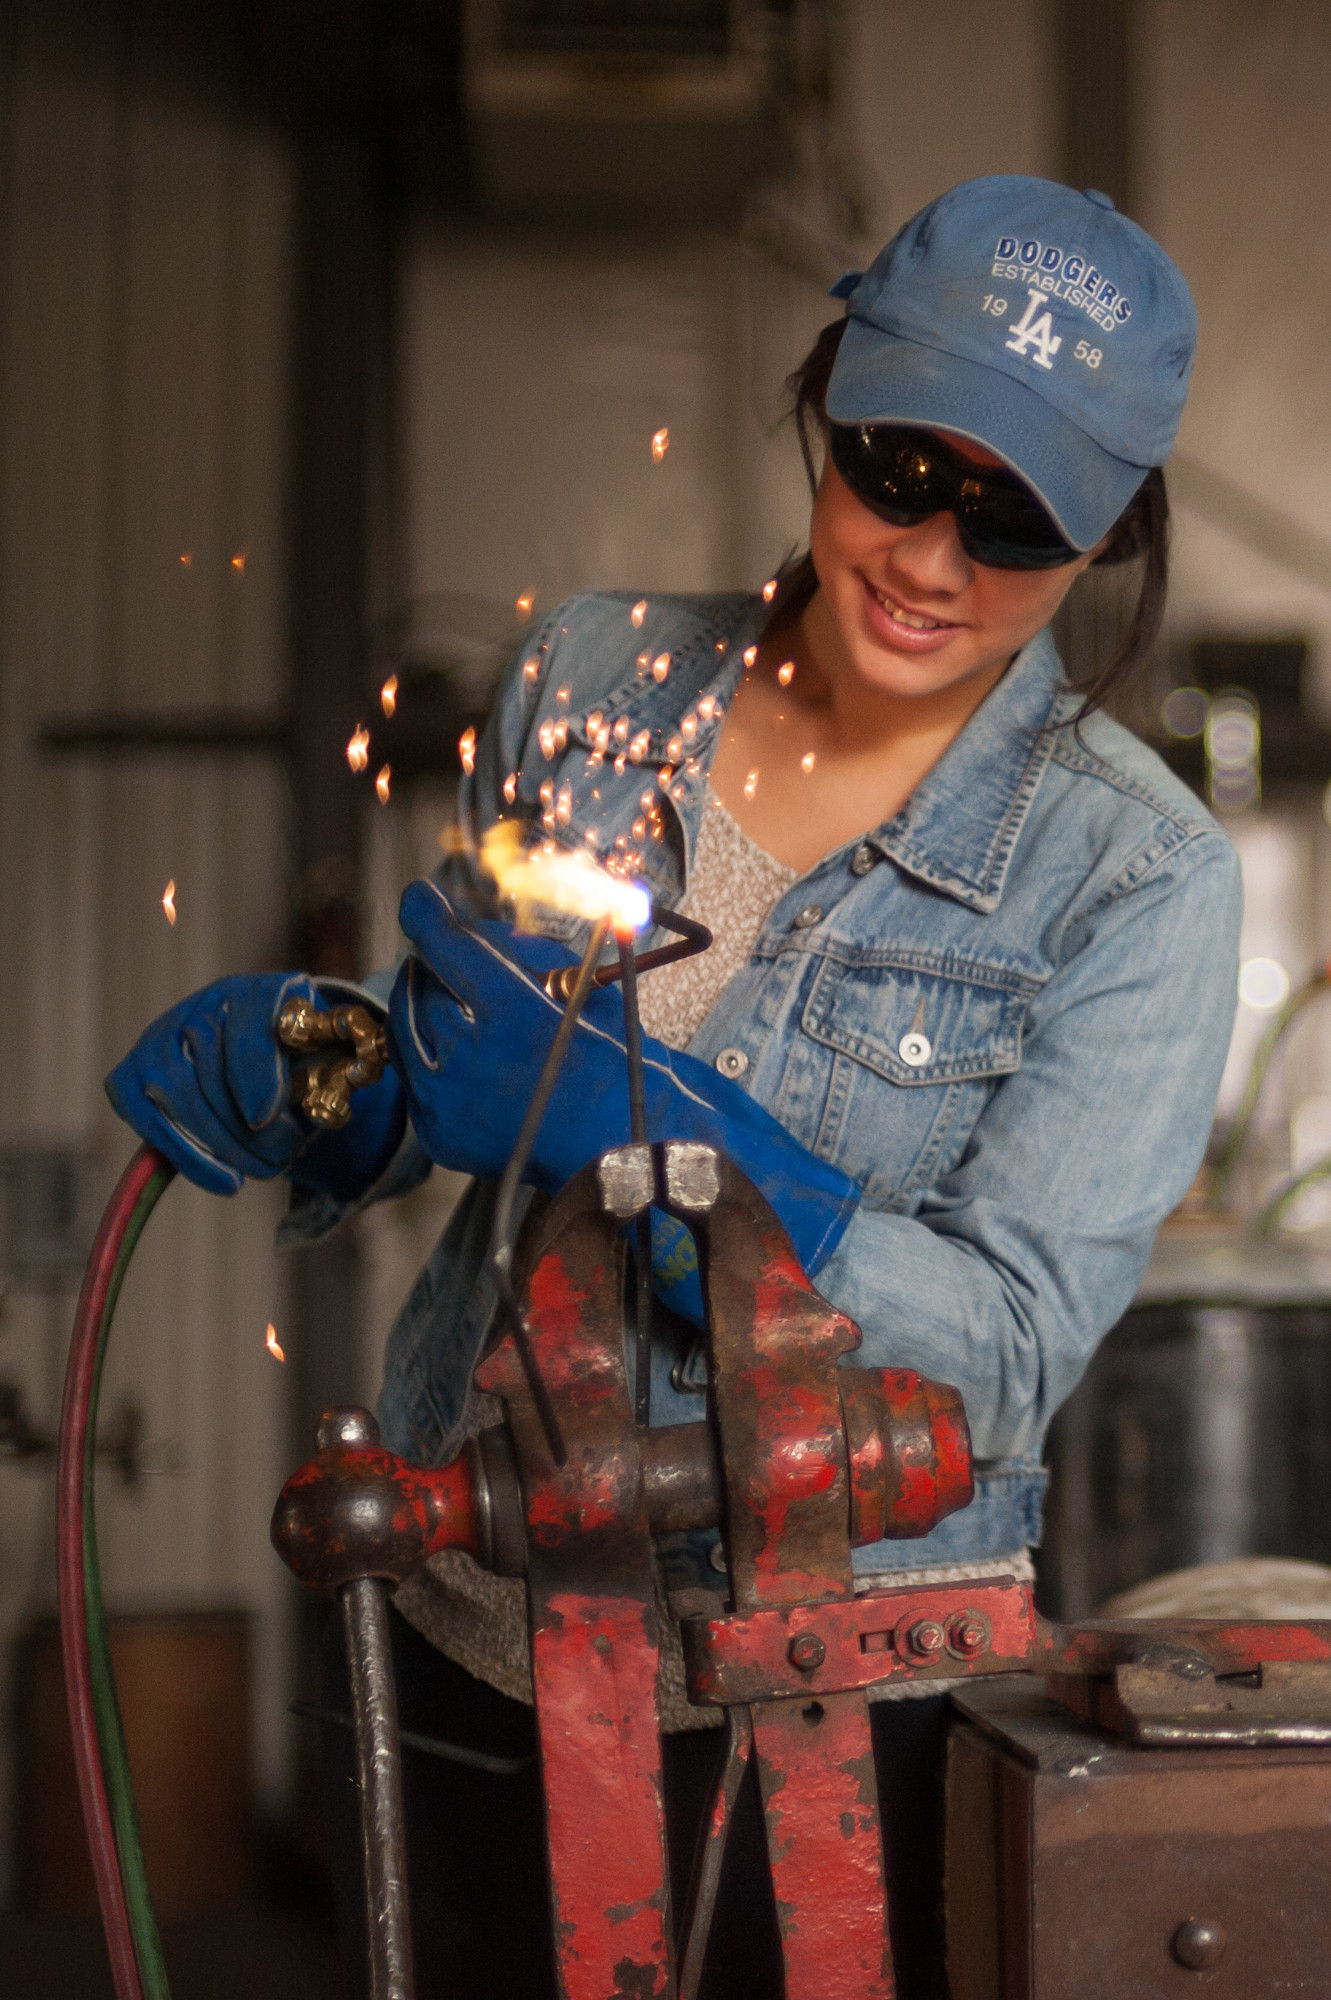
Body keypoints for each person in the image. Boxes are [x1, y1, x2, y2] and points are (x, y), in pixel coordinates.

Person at [107, 177, 1240, 1997]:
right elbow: (473, 1078)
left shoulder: (1136, 877)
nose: (933, 558)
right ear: (827, 398)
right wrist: (351, 1082)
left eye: (1018, 521)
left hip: (843, 1710)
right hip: (472, 1634)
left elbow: (1015, 1345)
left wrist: (674, 1144)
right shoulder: (592, 677)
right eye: (899, 466)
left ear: (1108, 535)